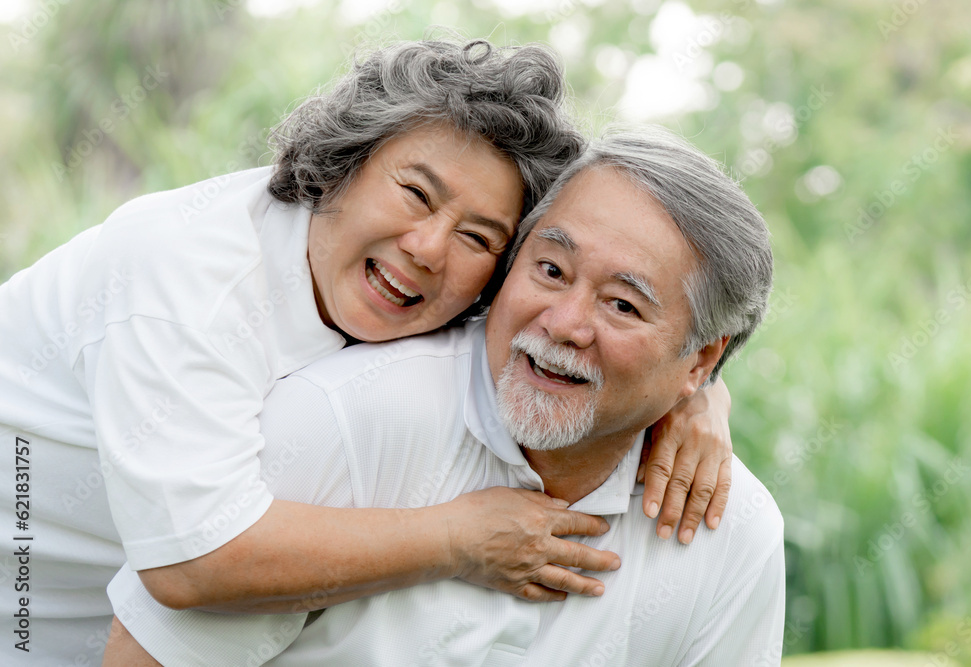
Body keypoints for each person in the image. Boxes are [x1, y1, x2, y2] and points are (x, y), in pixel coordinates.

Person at [0, 41, 732, 664]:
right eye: (416, 193)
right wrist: (458, 538)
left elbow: (574, 340)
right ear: (344, 161)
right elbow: (193, 561)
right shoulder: (186, 271)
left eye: (479, 236)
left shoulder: (410, 315)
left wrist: (694, 396)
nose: (426, 249)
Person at [104, 126, 783, 667]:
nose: (564, 323)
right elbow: (168, 615)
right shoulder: (343, 418)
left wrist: (701, 400)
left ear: (702, 358)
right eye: (550, 269)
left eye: (622, 304)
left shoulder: (734, 533)